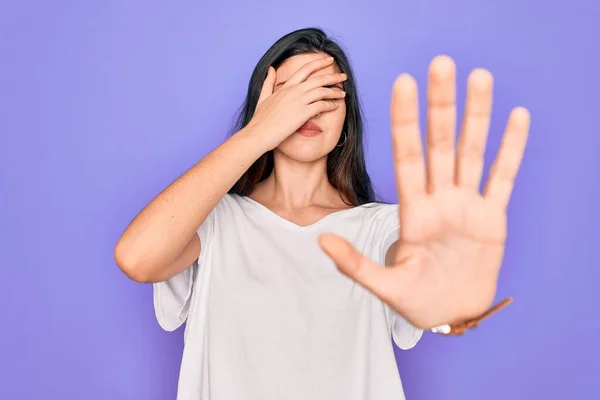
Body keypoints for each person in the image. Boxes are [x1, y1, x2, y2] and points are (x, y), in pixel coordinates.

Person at [114, 27, 530, 400]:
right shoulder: (215, 220)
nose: (308, 108)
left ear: (346, 116)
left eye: (326, 93)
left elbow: (413, 262)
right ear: (264, 105)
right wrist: (258, 133)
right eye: (293, 94)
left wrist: (442, 279)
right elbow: (137, 257)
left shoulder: (382, 228)